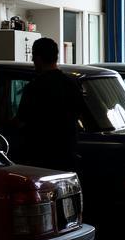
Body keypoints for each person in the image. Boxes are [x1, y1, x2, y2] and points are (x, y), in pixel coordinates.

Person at [15, 37, 86, 170]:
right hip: (67, 155)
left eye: (33, 57)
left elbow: (22, 121)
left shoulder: (34, 87)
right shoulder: (71, 84)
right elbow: (78, 115)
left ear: (39, 58)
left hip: (41, 158)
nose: (32, 61)